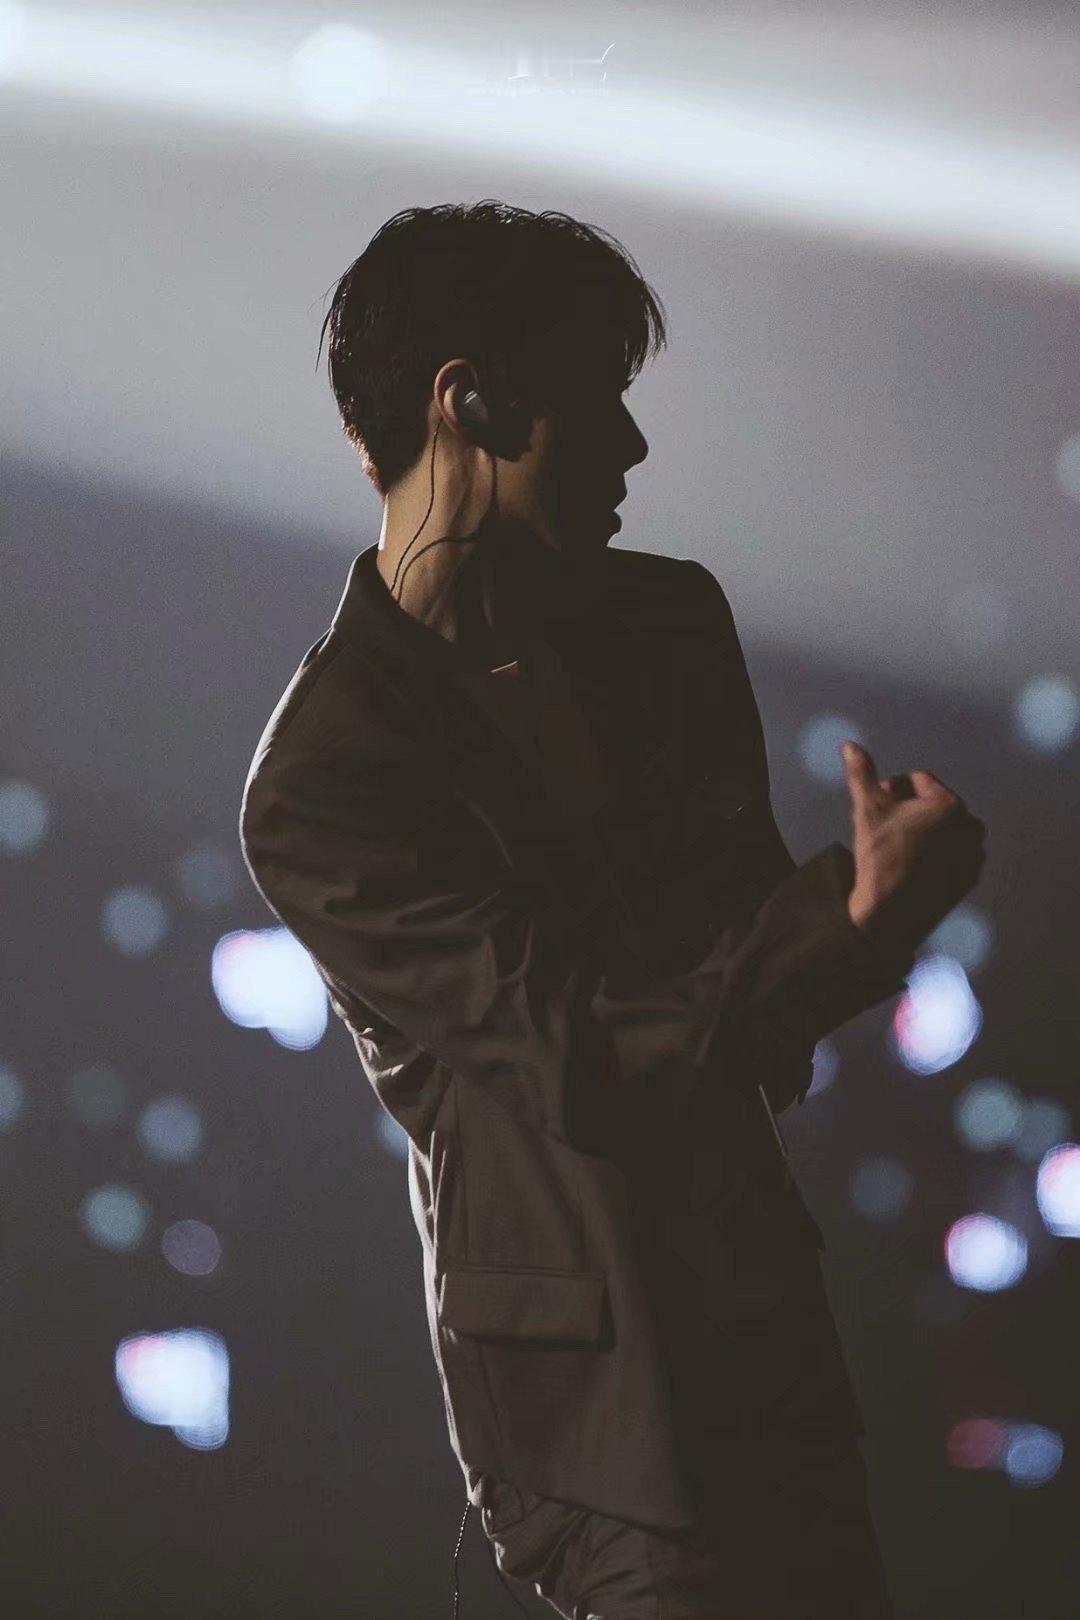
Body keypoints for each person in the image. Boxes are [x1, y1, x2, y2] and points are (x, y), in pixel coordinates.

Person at [239, 201, 987, 1619]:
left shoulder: (669, 627)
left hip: (770, 1341)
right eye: (598, 397)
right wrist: (858, 922)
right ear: (471, 402)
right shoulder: (323, 778)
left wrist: (838, 925)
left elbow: (755, 1017)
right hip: (603, 1427)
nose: (635, 448)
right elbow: (579, 1059)